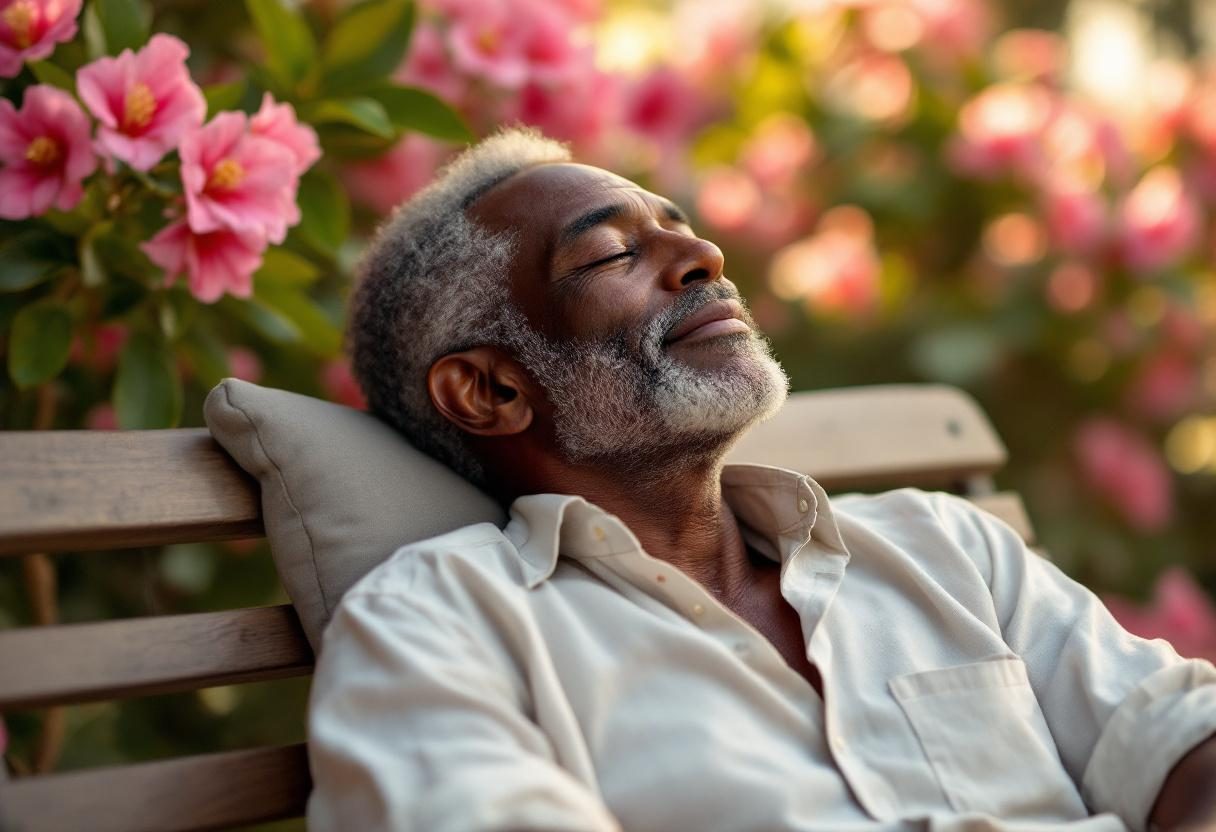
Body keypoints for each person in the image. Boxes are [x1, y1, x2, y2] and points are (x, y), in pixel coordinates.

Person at [306, 127, 1216, 832]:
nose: (703, 257)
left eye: (679, 225)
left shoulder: (943, 545)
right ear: (492, 390)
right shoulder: (438, 625)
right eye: (611, 254)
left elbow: (1185, 741)